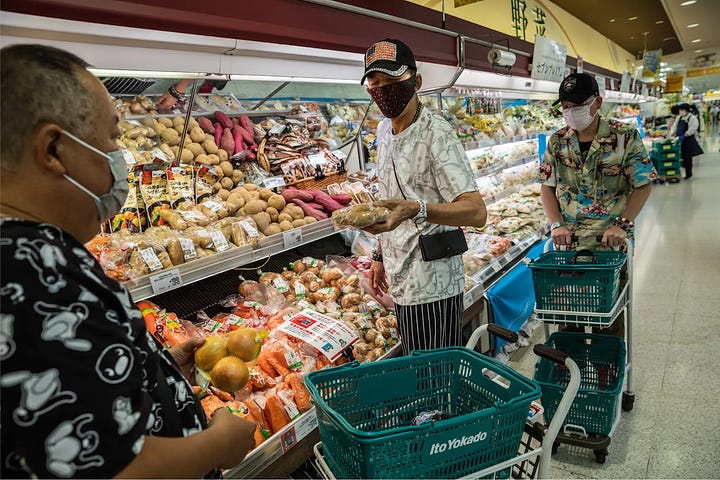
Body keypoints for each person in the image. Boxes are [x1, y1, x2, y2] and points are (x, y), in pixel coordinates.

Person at [0, 44, 255, 478]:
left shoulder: (34, 258)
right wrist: (218, 444)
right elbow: (111, 471)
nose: (119, 159)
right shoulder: (36, 276)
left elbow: (68, 403)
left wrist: (154, 368)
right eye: (111, 139)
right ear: (54, 150)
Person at [358, 39, 487, 355]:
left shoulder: (436, 133)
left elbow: (476, 212)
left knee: (436, 374)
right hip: (400, 274)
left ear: (415, 82)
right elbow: (391, 201)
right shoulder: (383, 133)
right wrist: (379, 256)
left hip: (434, 280)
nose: (382, 91)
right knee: (419, 365)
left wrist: (419, 209)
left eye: (391, 81)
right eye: (375, 84)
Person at [538, 73, 656, 338]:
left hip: (610, 245)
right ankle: (569, 373)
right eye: (566, 107)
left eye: (577, 106)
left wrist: (622, 225)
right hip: (569, 245)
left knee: (609, 318)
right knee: (568, 318)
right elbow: (546, 187)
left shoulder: (624, 136)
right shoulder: (557, 141)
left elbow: (643, 183)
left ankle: (605, 372)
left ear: (597, 103)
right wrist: (556, 224)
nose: (570, 112)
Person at [675, 103, 704, 179]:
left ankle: (688, 173)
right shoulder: (679, 117)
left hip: (688, 140)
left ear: (686, 110)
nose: (681, 111)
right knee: (682, 157)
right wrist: (672, 134)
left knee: (687, 157)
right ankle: (684, 172)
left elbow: (693, 128)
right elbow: (675, 126)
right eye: (680, 110)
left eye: (682, 110)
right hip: (680, 140)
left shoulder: (692, 118)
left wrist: (685, 135)